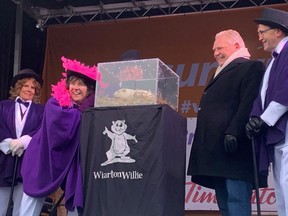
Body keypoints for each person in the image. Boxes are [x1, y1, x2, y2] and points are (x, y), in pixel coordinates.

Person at [187, 29, 265, 216]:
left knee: (237, 199)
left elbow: (249, 101)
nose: (215, 53)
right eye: (214, 49)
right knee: (223, 202)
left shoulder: (250, 66)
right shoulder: (218, 71)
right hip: (217, 150)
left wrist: (234, 132)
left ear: (236, 46)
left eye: (220, 48)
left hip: (235, 147)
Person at [19, 56, 104, 216]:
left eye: (81, 84)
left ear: (89, 90)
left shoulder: (90, 111)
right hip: (42, 162)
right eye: (73, 83)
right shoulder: (54, 104)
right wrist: (87, 106)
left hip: (71, 163)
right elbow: (65, 128)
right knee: (29, 209)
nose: (76, 87)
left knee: (75, 201)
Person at [245, 7, 288, 216]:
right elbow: (262, 96)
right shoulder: (273, 60)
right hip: (279, 134)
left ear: (278, 31)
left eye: (262, 32)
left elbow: (286, 89)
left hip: (284, 128)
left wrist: (265, 119)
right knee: (282, 189)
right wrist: (255, 118)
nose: (259, 37)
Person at [0, 69, 44, 216]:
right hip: (4, 160)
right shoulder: (3, 106)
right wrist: (9, 143)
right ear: (18, 88)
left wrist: (23, 142)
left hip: (27, 161)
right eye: (26, 86)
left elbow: (41, 130)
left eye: (33, 87)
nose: (29, 89)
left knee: (21, 206)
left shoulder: (41, 111)